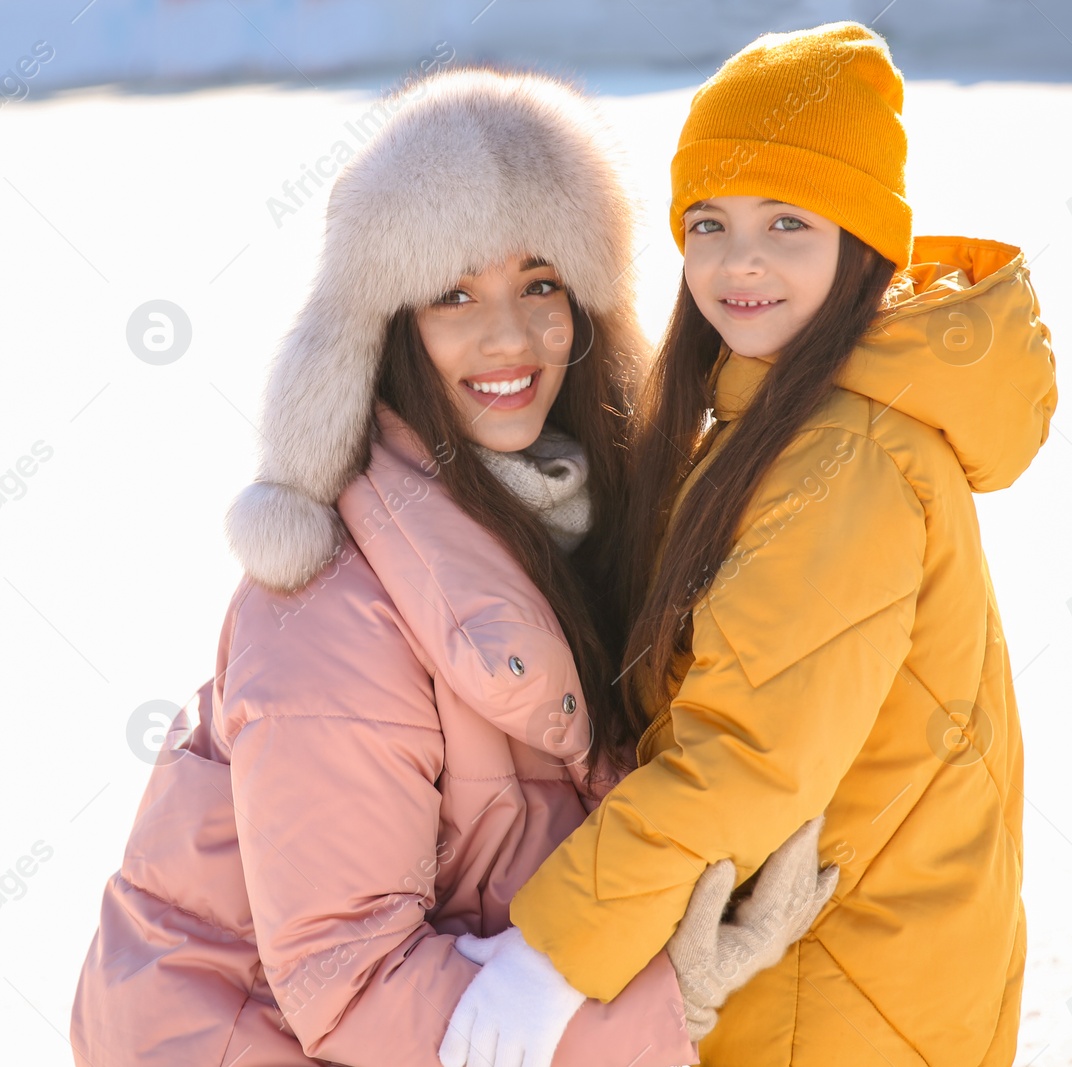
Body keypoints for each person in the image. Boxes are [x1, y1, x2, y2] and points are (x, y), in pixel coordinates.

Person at [69, 66, 837, 1067]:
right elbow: (349, 982)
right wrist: (671, 999)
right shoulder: (328, 612)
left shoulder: (591, 527)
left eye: (540, 283)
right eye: (454, 292)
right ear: (388, 330)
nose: (508, 334)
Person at [441, 22, 1058, 1067]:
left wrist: (548, 957)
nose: (740, 265)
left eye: (787, 223)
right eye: (709, 223)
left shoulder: (843, 461)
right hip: (853, 959)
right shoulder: (768, 417)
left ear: (862, 242)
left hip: (839, 990)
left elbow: (745, 759)